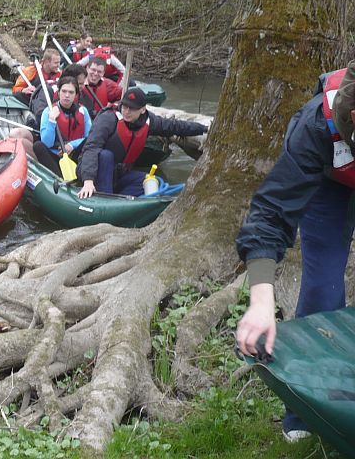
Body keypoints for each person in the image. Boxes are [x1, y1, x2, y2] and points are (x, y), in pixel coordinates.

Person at [235, 64, 355, 443]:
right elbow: (270, 215)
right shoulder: (315, 127)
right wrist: (261, 300)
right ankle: (306, 410)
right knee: (323, 287)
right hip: (329, 186)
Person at [76, 87, 208, 198]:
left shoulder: (149, 121)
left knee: (148, 180)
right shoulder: (109, 118)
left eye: (131, 109)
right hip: (94, 171)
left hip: (117, 174)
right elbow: (91, 147)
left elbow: (174, 126)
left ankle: (118, 202)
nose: (126, 112)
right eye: (125, 107)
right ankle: (103, 198)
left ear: (142, 110)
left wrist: (203, 128)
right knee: (106, 155)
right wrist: (88, 180)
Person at [32, 76, 92, 177]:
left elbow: (89, 137)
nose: (67, 95)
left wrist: (72, 145)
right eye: (64, 91)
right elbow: (46, 142)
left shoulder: (83, 111)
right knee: (38, 146)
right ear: (58, 93)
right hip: (56, 154)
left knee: (89, 144)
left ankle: (79, 175)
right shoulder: (48, 111)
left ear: (76, 95)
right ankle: (59, 178)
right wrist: (51, 121)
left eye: (71, 92)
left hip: (76, 154)